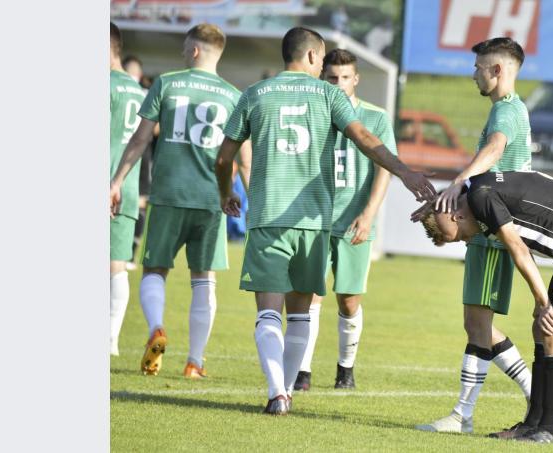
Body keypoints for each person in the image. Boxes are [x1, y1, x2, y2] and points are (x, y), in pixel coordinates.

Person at [215, 26, 435, 415]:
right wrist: (404, 172)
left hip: (268, 218)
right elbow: (364, 137)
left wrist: (225, 193)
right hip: (316, 222)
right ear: (315, 57)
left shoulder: (253, 94)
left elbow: (224, 158)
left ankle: (277, 393)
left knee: (268, 310)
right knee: (301, 311)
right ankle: (286, 391)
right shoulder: (329, 95)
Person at [418, 170, 553, 443]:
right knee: (542, 330)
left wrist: (543, 301)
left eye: (458, 235)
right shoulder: (476, 189)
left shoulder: (481, 198)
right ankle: (531, 426)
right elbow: (521, 243)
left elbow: (518, 249)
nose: (466, 240)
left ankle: (547, 430)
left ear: (457, 215)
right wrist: (542, 303)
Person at [413, 37, 534, 434]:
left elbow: (496, 150)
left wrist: (459, 178)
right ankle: (536, 393)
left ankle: (462, 416)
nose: (473, 74)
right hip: (491, 227)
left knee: (478, 326)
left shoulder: (506, 113)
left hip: (492, 230)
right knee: (477, 325)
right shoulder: (509, 109)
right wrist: (439, 204)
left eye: (479, 67)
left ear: (497, 70)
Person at [110, 23, 243, 379]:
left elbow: (139, 141)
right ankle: (195, 362)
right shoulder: (233, 95)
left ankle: (156, 327)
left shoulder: (166, 83)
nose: (183, 53)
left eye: (186, 48)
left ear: (195, 50)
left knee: (155, 270)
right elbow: (240, 156)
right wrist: (233, 193)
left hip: (168, 195)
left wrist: (117, 180)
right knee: (204, 279)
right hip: (210, 200)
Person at [293, 49, 396, 392]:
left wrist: (368, 214)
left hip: (355, 223)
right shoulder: (312, 114)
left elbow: (385, 169)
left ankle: (345, 370)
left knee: (349, 300)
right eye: (331, 78)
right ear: (323, 79)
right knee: (309, 296)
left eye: (344, 78)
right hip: (316, 221)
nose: (338, 85)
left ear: (356, 79)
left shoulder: (375, 117)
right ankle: (302, 371)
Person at [109, 22, 146, 357]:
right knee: (117, 264)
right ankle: (111, 340)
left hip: (108, 181)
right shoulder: (138, 90)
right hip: (128, 186)